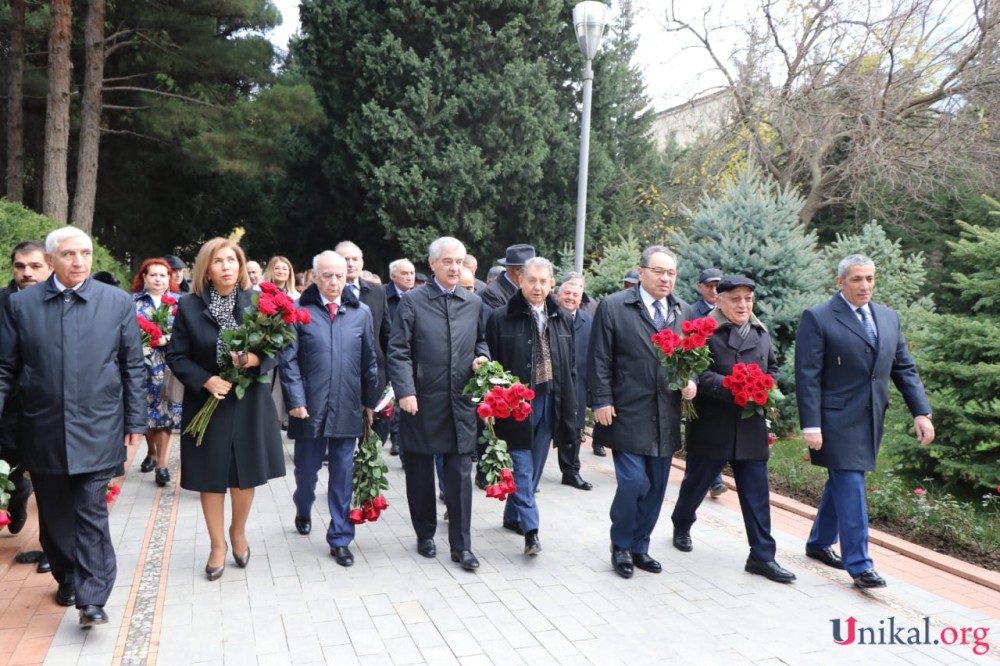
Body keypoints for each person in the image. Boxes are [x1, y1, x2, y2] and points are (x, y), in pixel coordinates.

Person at [0, 226, 146, 626]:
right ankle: (67, 576)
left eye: (84, 252)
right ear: (51, 261)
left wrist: (136, 419)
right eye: (68, 254)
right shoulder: (21, 306)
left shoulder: (116, 303)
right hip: (41, 427)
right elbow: (5, 368)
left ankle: (93, 597)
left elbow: (132, 365)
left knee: (90, 510)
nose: (79, 261)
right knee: (55, 512)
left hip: (98, 426)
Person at [795, 254, 934, 589]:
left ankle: (818, 543)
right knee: (852, 483)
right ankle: (859, 564)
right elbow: (807, 375)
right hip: (835, 419)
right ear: (840, 281)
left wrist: (921, 411)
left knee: (842, 481)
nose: (865, 286)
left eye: (870, 278)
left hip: (871, 418)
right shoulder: (819, 317)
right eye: (857, 279)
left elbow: (904, 368)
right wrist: (810, 425)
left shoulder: (887, 318)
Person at [166, 238, 285, 581]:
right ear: (207, 267)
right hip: (208, 400)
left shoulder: (257, 301)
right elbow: (177, 355)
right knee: (211, 474)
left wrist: (254, 359)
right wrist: (206, 381)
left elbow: (277, 347)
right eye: (218, 261)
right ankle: (217, 544)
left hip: (248, 401)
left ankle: (238, 531)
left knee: (245, 471)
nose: (227, 267)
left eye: (232, 260)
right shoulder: (189, 306)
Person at [671, 276, 796, 583]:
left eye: (748, 299)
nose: (743, 305)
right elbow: (696, 372)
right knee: (696, 484)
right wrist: (731, 386)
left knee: (756, 494)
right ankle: (682, 521)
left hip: (750, 426)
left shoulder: (760, 332)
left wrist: (765, 388)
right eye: (736, 299)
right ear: (719, 300)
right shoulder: (705, 330)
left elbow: (773, 368)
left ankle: (762, 556)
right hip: (714, 425)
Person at [588, 245, 696, 579]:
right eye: (659, 271)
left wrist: (692, 381)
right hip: (626, 410)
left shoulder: (684, 311)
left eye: (672, 273)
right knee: (634, 482)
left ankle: (640, 547)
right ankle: (620, 545)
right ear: (641, 271)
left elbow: (694, 357)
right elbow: (599, 358)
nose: (666, 278)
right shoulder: (615, 306)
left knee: (657, 487)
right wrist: (601, 400)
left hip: (665, 412)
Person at [387, 236, 489, 572]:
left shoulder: (473, 303)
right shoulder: (414, 301)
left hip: (460, 401)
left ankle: (462, 545)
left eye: (459, 262)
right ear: (432, 264)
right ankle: (425, 534)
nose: (454, 267)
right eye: (447, 261)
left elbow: (481, 343)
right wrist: (405, 390)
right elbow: (398, 350)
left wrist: (481, 360)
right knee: (419, 470)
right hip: (421, 401)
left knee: (460, 472)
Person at [281, 251, 378, 567]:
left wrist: (369, 402)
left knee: (342, 475)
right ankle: (303, 505)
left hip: (348, 407)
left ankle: (340, 537)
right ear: (314, 276)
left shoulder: (360, 312)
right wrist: (295, 400)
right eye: (327, 275)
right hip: (309, 408)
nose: (335, 281)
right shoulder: (299, 312)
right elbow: (288, 361)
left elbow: (369, 362)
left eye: (340, 275)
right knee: (306, 473)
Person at [485, 257, 577, 556]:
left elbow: (570, 366)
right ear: (520, 281)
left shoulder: (561, 317)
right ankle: (532, 531)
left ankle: (514, 516)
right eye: (531, 281)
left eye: (543, 281)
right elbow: (492, 365)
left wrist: (572, 411)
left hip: (551, 399)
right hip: (516, 404)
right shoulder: (500, 317)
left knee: (535, 467)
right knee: (522, 468)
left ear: (552, 283)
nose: (537, 287)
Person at [0, 241, 52, 539]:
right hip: (9, 404)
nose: (27, 273)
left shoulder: (59, 302)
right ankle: (18, 499)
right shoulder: (3, 302)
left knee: (51, 479)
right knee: (13, 468)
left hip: (46, 404)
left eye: (34, 266)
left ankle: (53, 547)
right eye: (20, 266)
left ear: (49, 266)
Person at [131, 258, 183, 487]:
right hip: (141, 366)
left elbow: (186, 332)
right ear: (144, 277)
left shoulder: (178, 303)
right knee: (146, 418)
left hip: (169, 366)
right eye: (153, 275)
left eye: (163, 275)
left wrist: (167, 339)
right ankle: (151, 451)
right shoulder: (132, 302)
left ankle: (161, 465)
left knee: (165, 417)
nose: (159, 279)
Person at [555, 274, 596, 485]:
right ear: (558, 295)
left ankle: (571, 471)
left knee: (574, 429)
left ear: (581, 299)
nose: (571, 298)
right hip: (550, 384)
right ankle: (529, 473)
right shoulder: (548, 317)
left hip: (577, 384)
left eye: (575, 295)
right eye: (567, 293)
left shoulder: (588, 322)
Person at [691, 267, 727, 498]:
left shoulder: (727, 310)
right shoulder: (693, 312)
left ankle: (713, 480)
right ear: (700, 287)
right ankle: (710, 479)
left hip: (720, 379)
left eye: (718, 286)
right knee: (701, 430)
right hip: (698, 378)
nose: (714, 290)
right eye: (710, 286)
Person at [385, 258, 416, 457]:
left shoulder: (418, 297)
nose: (409, 277)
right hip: (391, 356)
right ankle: (395, 438)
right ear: (393, 276)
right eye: (404, 273)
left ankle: (402, 444)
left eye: (412, 273)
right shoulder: (383, 296)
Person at [480, 244, 535, 309]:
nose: (536, 274)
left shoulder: (526, 289)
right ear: (517, 270)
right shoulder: (492, 294)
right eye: (533, 270)